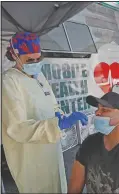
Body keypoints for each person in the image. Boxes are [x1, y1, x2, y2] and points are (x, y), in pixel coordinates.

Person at [2, 32, 88, 193]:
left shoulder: (38, 75)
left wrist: (60, 115)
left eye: (38, 58)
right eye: (30, 60)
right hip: (30, 156)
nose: (35, 63)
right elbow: (17, 128)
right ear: (14, 55)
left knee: (57, 185)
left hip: (50, 149)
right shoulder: (9, 81)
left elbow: (52, 103)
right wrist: (57, 125)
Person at [68, 92, 119, 194]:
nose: (97, 113)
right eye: (98, 109)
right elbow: (74, 189)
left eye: (104, 110)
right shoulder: (89, 144)